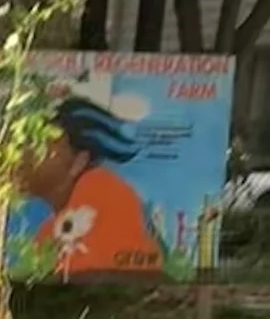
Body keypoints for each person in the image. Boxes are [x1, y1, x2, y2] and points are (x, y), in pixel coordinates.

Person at [9, 94, 165, 280]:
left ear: (78, 162)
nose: (23, 155)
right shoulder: (50, 230)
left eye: (42, 145)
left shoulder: (101, 193)